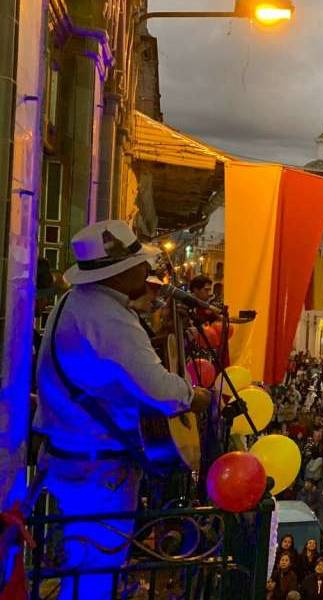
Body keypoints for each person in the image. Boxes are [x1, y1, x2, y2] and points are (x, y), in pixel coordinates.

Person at [33, 220, 211, 600]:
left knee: (80, 568)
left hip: (72, 456)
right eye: (140, 264)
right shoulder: (107, 318)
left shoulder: (79, 302)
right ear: (121, 272)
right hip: (96, 468)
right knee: (94, 573)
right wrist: (192, 396)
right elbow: (159, 389)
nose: (147, 272)